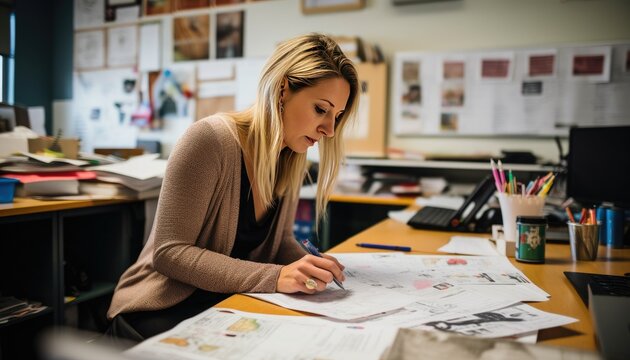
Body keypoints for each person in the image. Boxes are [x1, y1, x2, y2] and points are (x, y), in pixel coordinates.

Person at [106, 33, 360, 342]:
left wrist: (313, 268)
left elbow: (279, 242)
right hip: (162, 307)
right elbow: (169, 253)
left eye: (338, 116)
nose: (330, 130)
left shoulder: (293, 156)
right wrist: (276, 276)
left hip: (223, 301)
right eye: (321, 109)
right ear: (283, 89)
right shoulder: (208, 140)